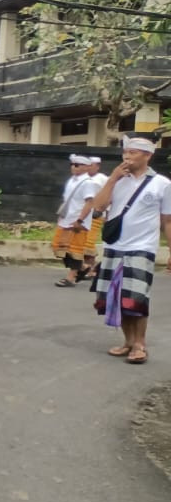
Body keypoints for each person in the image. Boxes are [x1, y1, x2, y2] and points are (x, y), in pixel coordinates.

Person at [89, 136, 171, 365]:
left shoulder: (162, 184)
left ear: (148, 155)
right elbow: (98, 207)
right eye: (126, 152)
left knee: (136, 298)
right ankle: (127, 341)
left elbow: (167, 221)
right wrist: (113, 179)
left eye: (134, 152)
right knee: (116, 297)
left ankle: (139, 344)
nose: (127, 156)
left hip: (142, 248)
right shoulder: (116, 181)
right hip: (114, 246)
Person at [51, 154, 98, 287]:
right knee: (59, 246)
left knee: (75, 250)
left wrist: (80, 220)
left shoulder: (88, 183)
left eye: (77, 165)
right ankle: (83, 268)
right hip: (66, 219)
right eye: (72, 165)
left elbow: (89, 203)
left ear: (86, 167)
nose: (73, 167)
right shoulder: (72, 180)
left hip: (78, 221)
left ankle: (71, 278)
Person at [81, 156, 109, 280]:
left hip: (96, 214)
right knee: (83, 242)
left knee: (89, 242)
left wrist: (107, 212)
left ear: (97, 166)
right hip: (84, 215)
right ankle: (88, 267)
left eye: (92, 165)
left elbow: (109, 196)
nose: (89, 167)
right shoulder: (84, 179)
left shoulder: (102, 179)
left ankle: (91, 269)